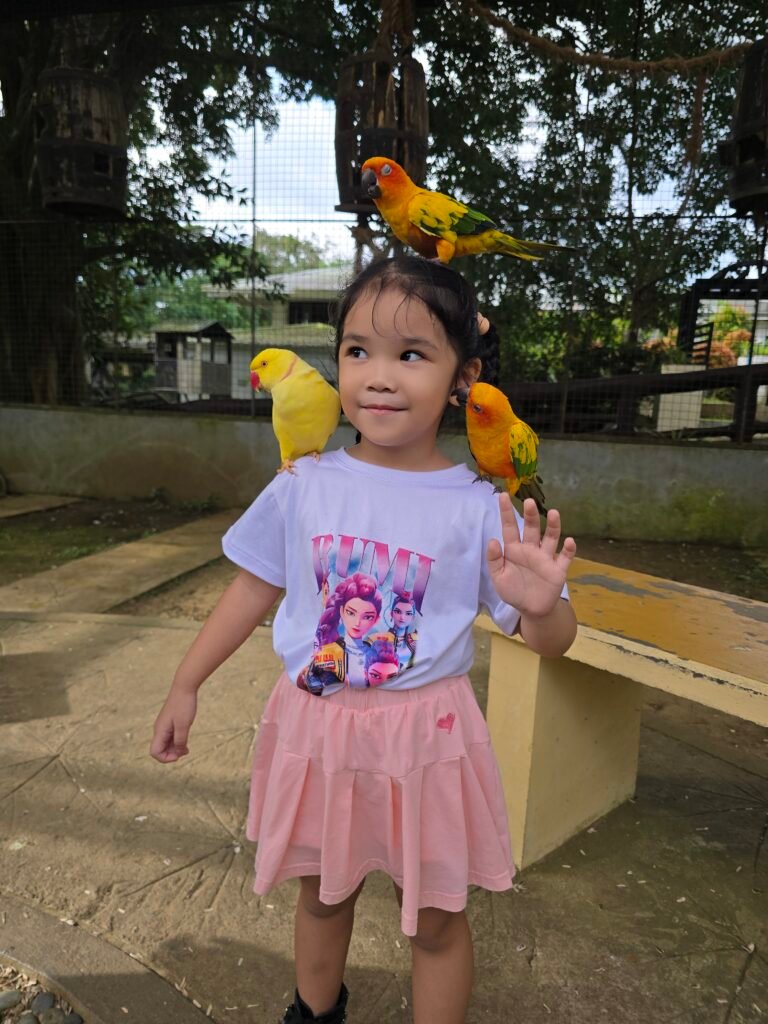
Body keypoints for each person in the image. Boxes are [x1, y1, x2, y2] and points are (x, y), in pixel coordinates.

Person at [150, 255, 578, 1024]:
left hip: (429, 741)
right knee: (322, 893)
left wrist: (542, 608)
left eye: (411, 354)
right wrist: (186, 682)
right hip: (318, 731)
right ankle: (315, 1013)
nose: (379, 377)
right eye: (358, 351)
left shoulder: (481, 507)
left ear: (463, 377)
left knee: (436, 919)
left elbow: (554, 642)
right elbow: (252, 586)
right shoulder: (302, 483)